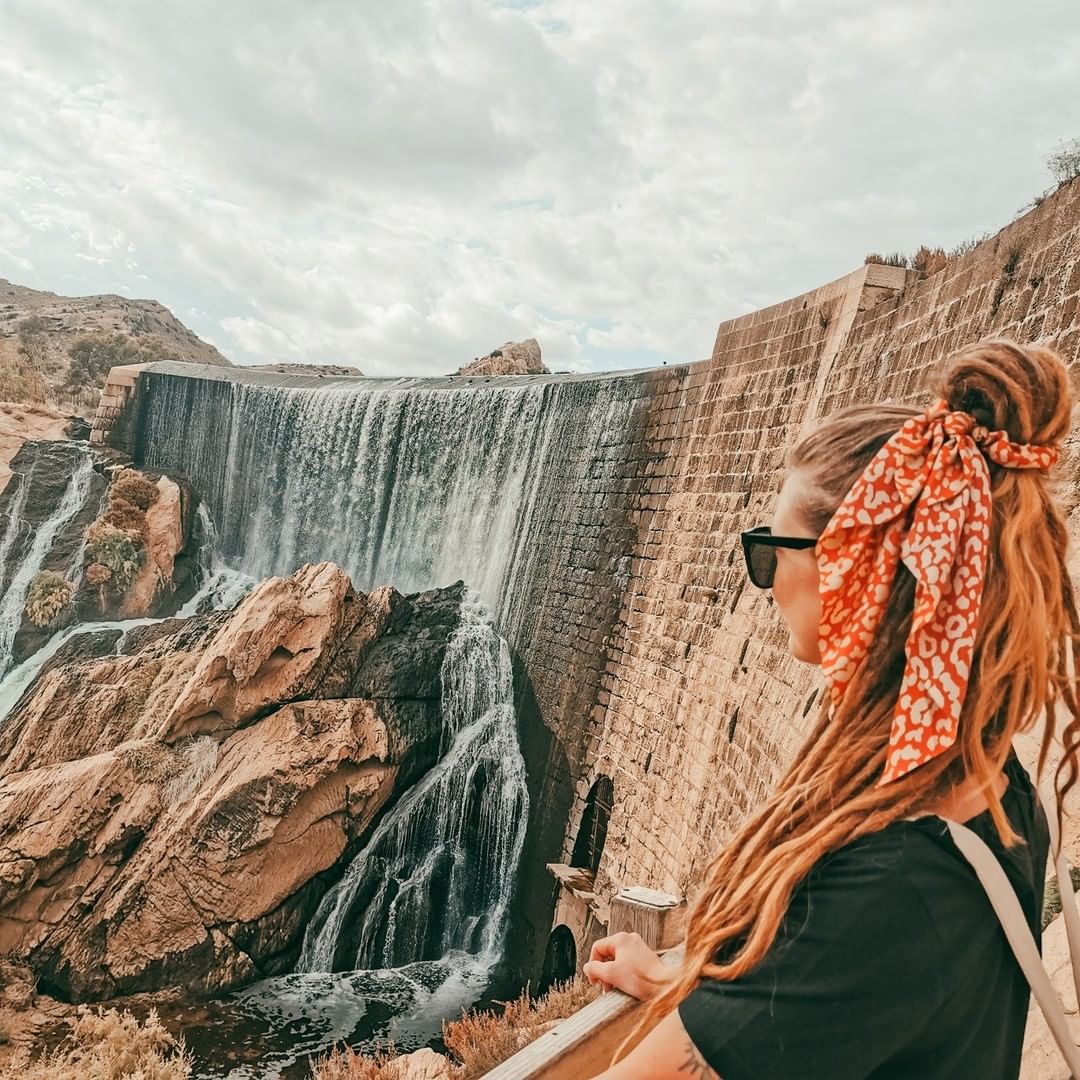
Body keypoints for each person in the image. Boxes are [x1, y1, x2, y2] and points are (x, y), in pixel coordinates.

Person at [582, 338, 1079, 1079]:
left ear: (856, 571)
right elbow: (850, 1004)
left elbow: (845, 959)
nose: (766, 576)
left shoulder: (884, 889)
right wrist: (678, 987)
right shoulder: (991, 787)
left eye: (770, 549)